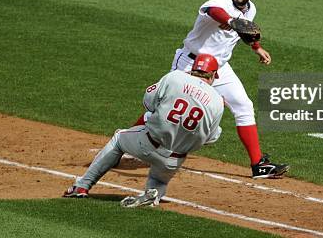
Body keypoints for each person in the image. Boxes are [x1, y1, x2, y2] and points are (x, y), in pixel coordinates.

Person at [135, 0, 288, 179]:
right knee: (165, 106)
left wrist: (257, 48)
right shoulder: (221, 3)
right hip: (192, 64)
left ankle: (258, 165)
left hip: (220, 68)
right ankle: (126, 141)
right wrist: (232, 21)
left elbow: (247, 31)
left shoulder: (250, 9)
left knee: (244, 106)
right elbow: (212, 11)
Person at [63, 54, 225, 207]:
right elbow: (211, 138)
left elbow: (148, 103)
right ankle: (152, 195)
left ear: (193, 69)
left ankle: (81, 186)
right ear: (212, 75)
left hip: (148, 144)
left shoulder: (175, 77)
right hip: (173, 161)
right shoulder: (218, 100)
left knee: (119, 139)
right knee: (159, 180)